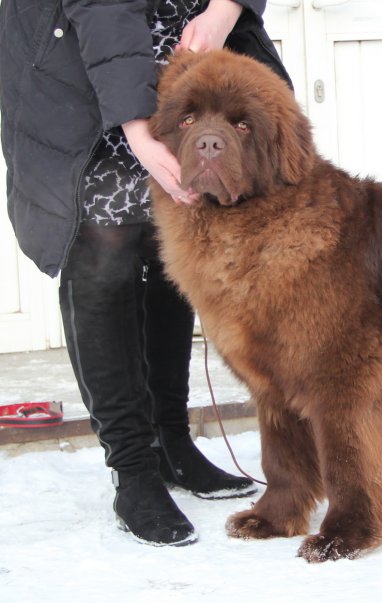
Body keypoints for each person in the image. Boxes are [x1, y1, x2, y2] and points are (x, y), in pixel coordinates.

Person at [0, 0, 293, 546]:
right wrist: (136, 125)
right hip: (81, 55)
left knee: (172, 245)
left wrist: (227, 9)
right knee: (105, 251)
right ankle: (133, 468)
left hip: (183, 54)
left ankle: (173, 441)